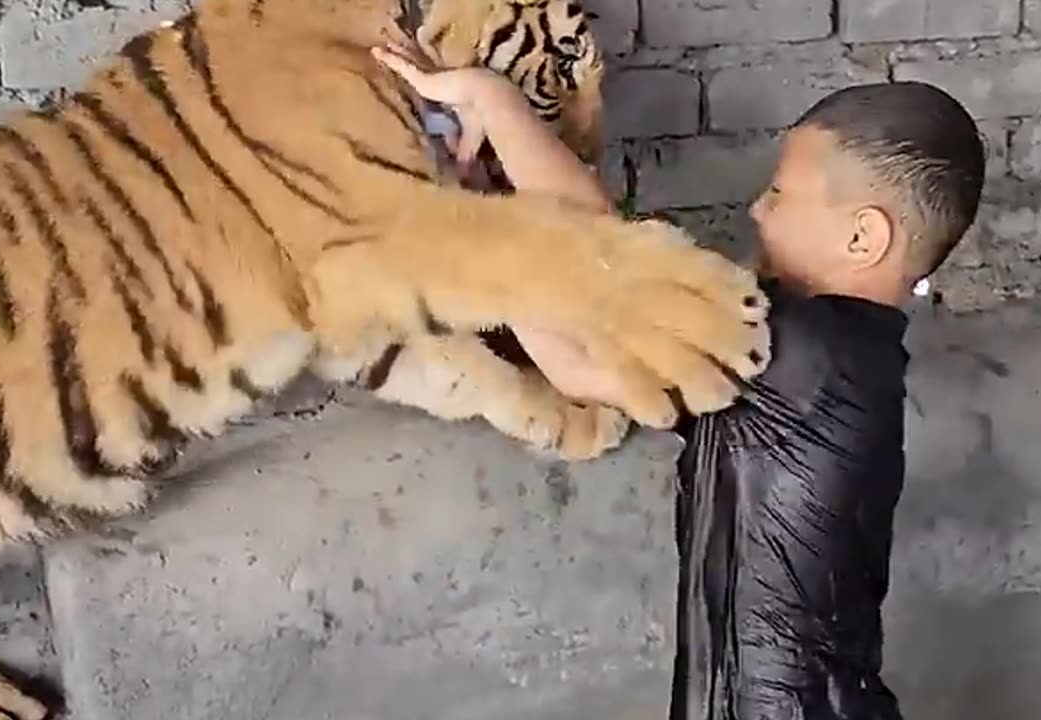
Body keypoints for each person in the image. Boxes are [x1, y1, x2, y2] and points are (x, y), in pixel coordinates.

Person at [374, 41, 986, 720]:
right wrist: (487, 207)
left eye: (779, 194)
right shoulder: (812, 366)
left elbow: (613, 268)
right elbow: (579, 360)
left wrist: (492, 109)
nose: (757, 210)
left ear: (862, 238)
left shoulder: (809, 354)